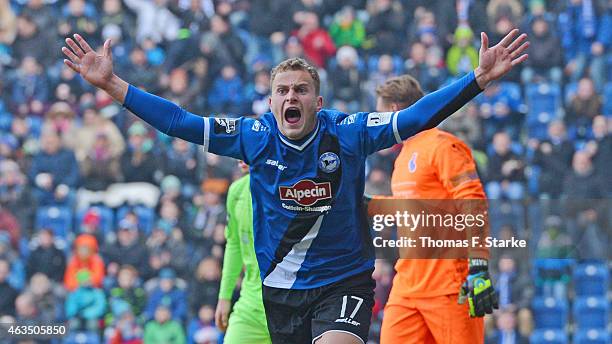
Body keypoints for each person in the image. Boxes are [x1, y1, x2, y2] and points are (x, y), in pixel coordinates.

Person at [62, 29, 528, 344]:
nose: (291, 98)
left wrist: (477, 80)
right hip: (279, 291)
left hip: (345, 282)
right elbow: (180, 122)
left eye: (301, 90)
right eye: (283, 91)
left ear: (317, 100)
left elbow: (414, 117)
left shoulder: (347, 131)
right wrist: (114, 86)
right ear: (270, 101)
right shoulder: (254, 136)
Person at [374, 74, 496, 344]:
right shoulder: (403, 155)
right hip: (407, 286)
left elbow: (472, 201)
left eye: (378, 113)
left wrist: (479, 265)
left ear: (393, 110)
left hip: (450, 287)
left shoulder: (443, 146)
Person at [215, 161, 271, 343]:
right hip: (250, 306)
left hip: (293, 308)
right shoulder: (236, 191)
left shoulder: (294, 189)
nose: (240, 154)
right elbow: (234, 245)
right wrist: (224, 296)